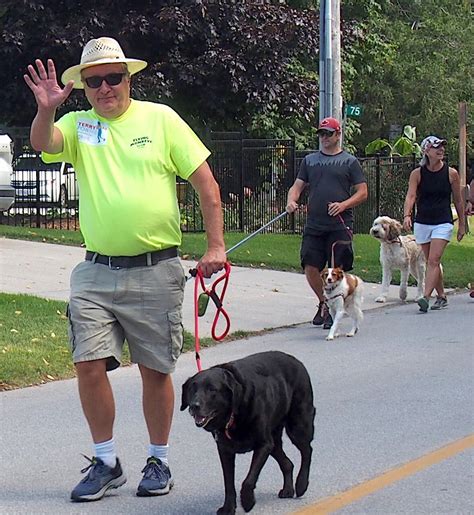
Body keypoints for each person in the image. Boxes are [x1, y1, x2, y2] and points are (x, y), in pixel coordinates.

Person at [23, 37, 226, 502]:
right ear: (84, 87)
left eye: (113, 77)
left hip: (157, 268)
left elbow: (205, 183)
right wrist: (46, 110)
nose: (105, 87)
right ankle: (107, 460)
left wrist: (216, 245)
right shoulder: (77, 124)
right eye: (94, 81)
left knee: (155, 369)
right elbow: (43, 142)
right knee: (87, 363)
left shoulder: (161, 119)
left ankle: (159, 460)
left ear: (128, 78)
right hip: (95, 271)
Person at [286, 117, 368, 329]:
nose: (324, 138)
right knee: (310, 266)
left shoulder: (350, 162)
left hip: (339, 224)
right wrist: (291, 200)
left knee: (336, 270)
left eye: (328, 134)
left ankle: (336, 309)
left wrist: (343, 205)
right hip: (315, 223)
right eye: (321, 134)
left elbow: (362, 192)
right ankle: (325, 303)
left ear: (338, 135)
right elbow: (297, 186)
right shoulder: (310, 161)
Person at [403, 135, 465, 312]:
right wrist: (407, 215)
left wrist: (462, 224)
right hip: (423, 221)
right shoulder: (417, 174)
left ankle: (426, 297)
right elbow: (411, 196)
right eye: (436, 147)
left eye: (442, 147)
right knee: (432, 261)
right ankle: (442, 295)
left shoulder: (451, 173)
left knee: (434, 259)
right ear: (426, 151)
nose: (441, 150)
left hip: (443, 222)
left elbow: (459, 201)